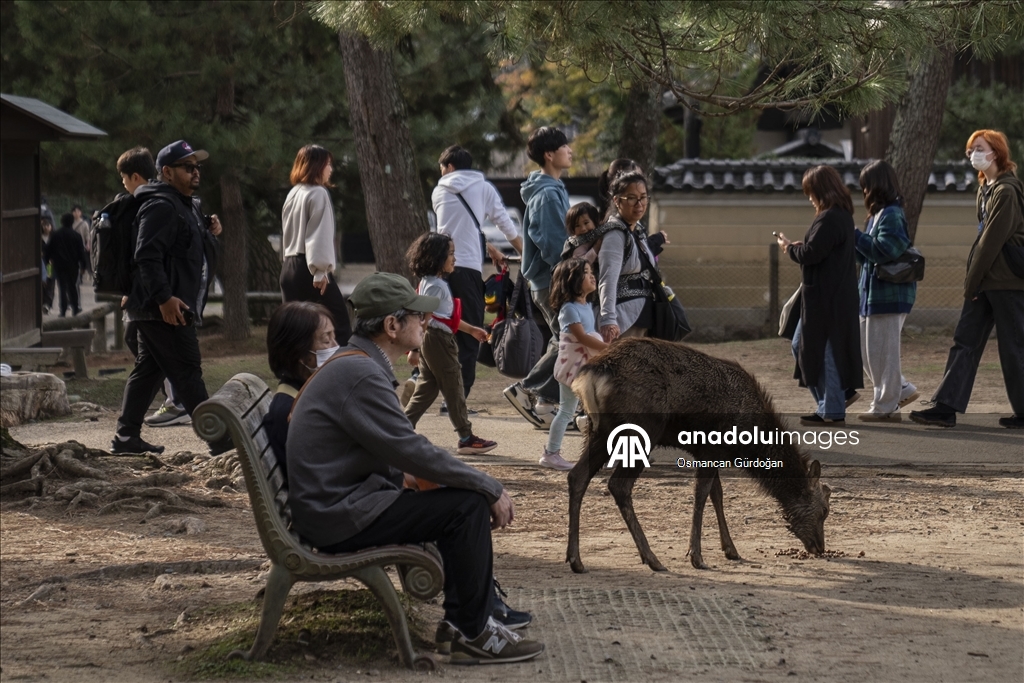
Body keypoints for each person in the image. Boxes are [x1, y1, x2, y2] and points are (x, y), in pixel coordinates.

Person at [286, 272, 544, 664]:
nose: (426, 322)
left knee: (458, 499)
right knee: (467, 506)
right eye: (417, 316)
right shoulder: (360, 373)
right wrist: (487, 484)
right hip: (338, 516)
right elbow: (411, 450)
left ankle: (469, 621)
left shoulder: (357, 365)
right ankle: (470, 631)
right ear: (392, 326)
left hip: (338, 506)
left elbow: (403, 450)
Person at [112, 140, 228, 455]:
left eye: (197, 167)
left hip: (167, 305)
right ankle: (221, 442)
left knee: (149, 370)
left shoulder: (185, 204)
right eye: (187, 167)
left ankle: (126, 438)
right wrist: (164, 299)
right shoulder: (160, 205)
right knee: (188, 370)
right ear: (166, 171)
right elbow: (146, 256)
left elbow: (186, 248)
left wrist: (210, 231)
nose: (195, 172)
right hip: (160, 307)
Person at [911, 130, 1024, 429]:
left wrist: (970, 283)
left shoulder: (1006, 192)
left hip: (1007, 283)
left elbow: (990, 243)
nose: (972, 154)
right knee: (965, 341)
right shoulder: (986, 188)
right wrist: (975, 282)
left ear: (996, 152)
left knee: (1014, 348)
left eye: (979, 148)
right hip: (986, 281)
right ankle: (945, 407)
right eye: (970, 149)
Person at [432, 145, 523, 403]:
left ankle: (424, 381)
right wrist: (526, 255)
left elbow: (453, 229)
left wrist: (487, 246)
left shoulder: (439, 190)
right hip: (468, 270)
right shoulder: (483, 188)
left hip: (441, 269)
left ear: (448, 167)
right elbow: (505, 224)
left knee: (439, 328)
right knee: (470, 335)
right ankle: (458, 400)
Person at [776, 165, 863, 425]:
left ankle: (833, 407)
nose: (809, 197)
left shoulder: (829, 218)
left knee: (822, 351)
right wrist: (802, 247)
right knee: (807, 346)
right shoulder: (841, 216)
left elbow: (812, 254)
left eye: (810, 192)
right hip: (832, 295)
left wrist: (789, 249)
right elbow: (820, 249)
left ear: (820, 190)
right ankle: (833, 399)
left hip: (826, 298)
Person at [403, 233, 498, 455]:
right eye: (451, 254)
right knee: (454, 386)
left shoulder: (430, 283)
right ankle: (466, 438)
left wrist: (472, 330)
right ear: (437, 257)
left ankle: (401, 429)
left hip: (434, 339)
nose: (455, 258)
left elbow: (441, 318)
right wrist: (415, 349)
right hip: (439, 342)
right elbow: (425, 319)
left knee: (426, 388)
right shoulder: (436, 286)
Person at [504, 127, 573, 428]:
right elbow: (552, 243)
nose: (570, 150)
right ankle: (528, 389)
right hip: (552, 281)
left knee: (563, 339)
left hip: (551, 280)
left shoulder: (553, 189)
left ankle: (545, 403)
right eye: (564, 146)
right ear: (549, 154)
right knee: (567, 341)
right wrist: (570, 275)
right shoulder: (546, 195)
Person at [853, 160, 920, 421]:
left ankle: (886, 406)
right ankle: (900, 388)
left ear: (875, 186)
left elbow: (884, 251)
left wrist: (856, 237)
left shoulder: (892, 213)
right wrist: (855, 242)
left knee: (882, 353)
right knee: (868, 353)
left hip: (889, 295)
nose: (864, 191)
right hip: (874, 294)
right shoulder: (879, 215)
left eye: (865, 185)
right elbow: (870, 255)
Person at [280, 144, 352, 346]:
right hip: (310, 269)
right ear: (317, 166)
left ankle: (294, 375)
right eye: (328, 164)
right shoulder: (318, 193)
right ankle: (341, 374)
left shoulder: (293, 194)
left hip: (289, 267)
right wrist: (320, 271)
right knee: (339, 327)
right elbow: (318, 234)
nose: (331, 169)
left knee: (297, 330)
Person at [542, 259, 607, 470]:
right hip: (573, 369)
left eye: (591, 272)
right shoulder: (568, 309)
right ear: (573, 281)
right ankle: (551, 454)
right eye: (586, 273)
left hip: (583, 368)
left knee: (589, 409)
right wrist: (608, 348)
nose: (592, 276)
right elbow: (583, 338)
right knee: (566, 411)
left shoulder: (586, 306)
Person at [596, 171, 660, 342]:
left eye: (643, 197)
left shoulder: (637, 229)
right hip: (624, 318)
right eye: (631, 198)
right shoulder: (615, 233)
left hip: (642, 313)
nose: (639, 204)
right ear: (617, 201)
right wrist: (608, 318)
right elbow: (607, 278)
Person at [43, 213, 89, 317]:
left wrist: (47, 262)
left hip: (59, 265)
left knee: (62, 288)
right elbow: (81, 252)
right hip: (73, 265)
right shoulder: (76, 236)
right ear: (72, 222)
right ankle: (75, 308)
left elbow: (48, 250)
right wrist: (83, 266)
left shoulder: (55, 235)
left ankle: (63, 310)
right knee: (72, 287)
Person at [40, 217, 56, 314]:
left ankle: (48, 304)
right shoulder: (39, 237)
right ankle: (43, 303)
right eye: (44, 225)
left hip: (50, 264)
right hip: (41, 263)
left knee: (50, 283)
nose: (46, 227)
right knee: (42, 283)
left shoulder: (53, 237)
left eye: (48, 225)